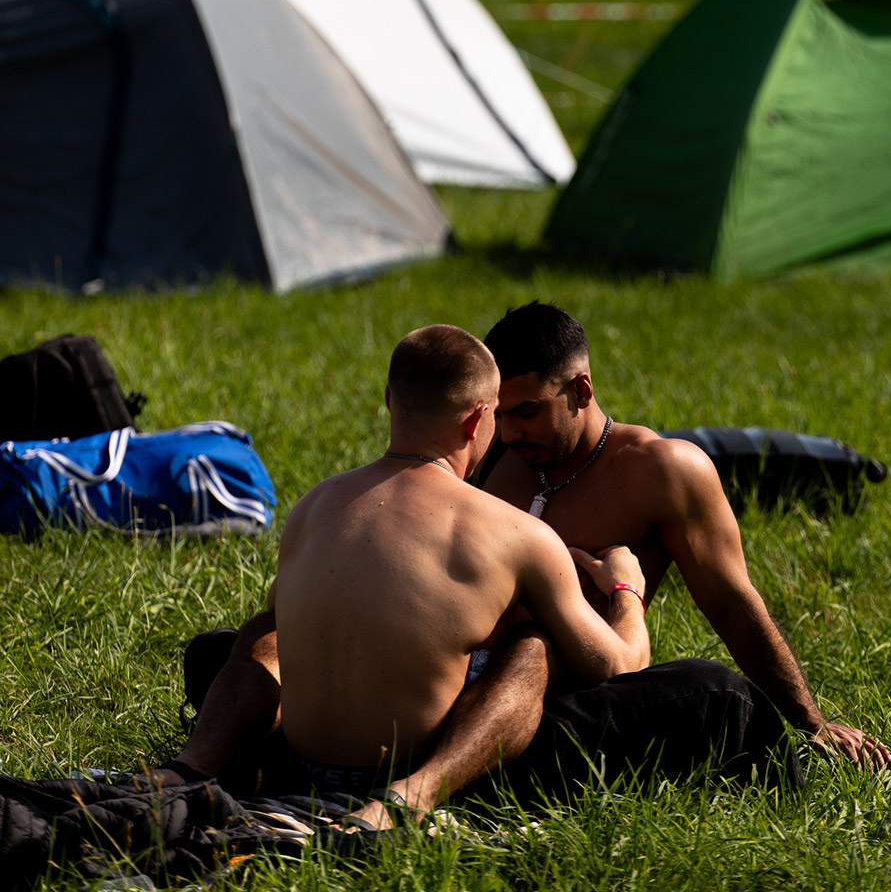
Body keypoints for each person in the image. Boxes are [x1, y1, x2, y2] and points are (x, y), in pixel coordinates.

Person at [160, 324, 651, 832]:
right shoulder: (517, 533)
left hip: (294, 762)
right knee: (535, 646)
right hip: (413, 766)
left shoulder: (314, 505)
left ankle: (190, 768)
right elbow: (618, 669)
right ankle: (413, 797)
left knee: (263, 631)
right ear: (478, 418)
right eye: (498, 418)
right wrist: (625, 590)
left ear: (390, 399)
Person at [478, 302, 891, 772]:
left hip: (564, 706)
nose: (509, 431)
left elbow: (732, 603)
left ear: (581, 390)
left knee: (714, 692)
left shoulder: (660, 471)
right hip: (452, 690)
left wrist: (812, 726)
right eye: (500, 413)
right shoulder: (491, 453)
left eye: (527, 412)